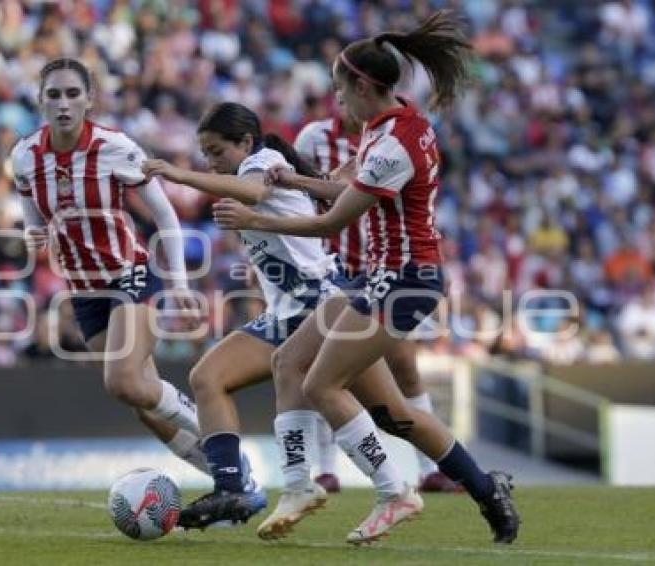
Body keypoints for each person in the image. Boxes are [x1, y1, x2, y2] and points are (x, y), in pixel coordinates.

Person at [214, 11, 519, 544]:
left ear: (362, 84)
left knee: (322, 384)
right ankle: (487, 489)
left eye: (339, 88)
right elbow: (348, 193)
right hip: (381, 277)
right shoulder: (399, 125)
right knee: (338, 384)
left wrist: (256, 218)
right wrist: (296, 178)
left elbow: (335, 220)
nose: (337, 101)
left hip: (402, 281)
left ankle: (394, 492)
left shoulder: (391, 144)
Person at [141, 101, 342, 529]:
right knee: (206, 377)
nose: (211, 162)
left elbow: (253, 193)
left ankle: (456, 483)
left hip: (320, 304)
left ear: (246, 142)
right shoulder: (244, 174)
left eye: (216, 152)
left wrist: (178, 174)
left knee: (388, 408)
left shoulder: (264, 161)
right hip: (288, 310)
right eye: (205, 155)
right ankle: (232, 489)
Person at [12, 58, 210, 479]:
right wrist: (34, 233)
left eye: (72, 93)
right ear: (40, 101)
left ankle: (218, 436)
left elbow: (165, 215)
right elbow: (30, 211)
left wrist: (177, 284)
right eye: (54, 94)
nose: (63, 103)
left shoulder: (115, 147)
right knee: (141, 402)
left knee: (122, 382)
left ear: (89, 99)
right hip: (85, 291)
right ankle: (230, 477)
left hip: (130, 273)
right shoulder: (24, 156)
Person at [294, 103, 461, 494]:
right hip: (332, 268)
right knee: (321, 366)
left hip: (382, 270)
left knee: (403, 365)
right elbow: (303, 195)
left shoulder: (389, 142)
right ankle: (327, 469)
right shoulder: (315, 137)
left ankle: (429, 469)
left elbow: (414, 207)